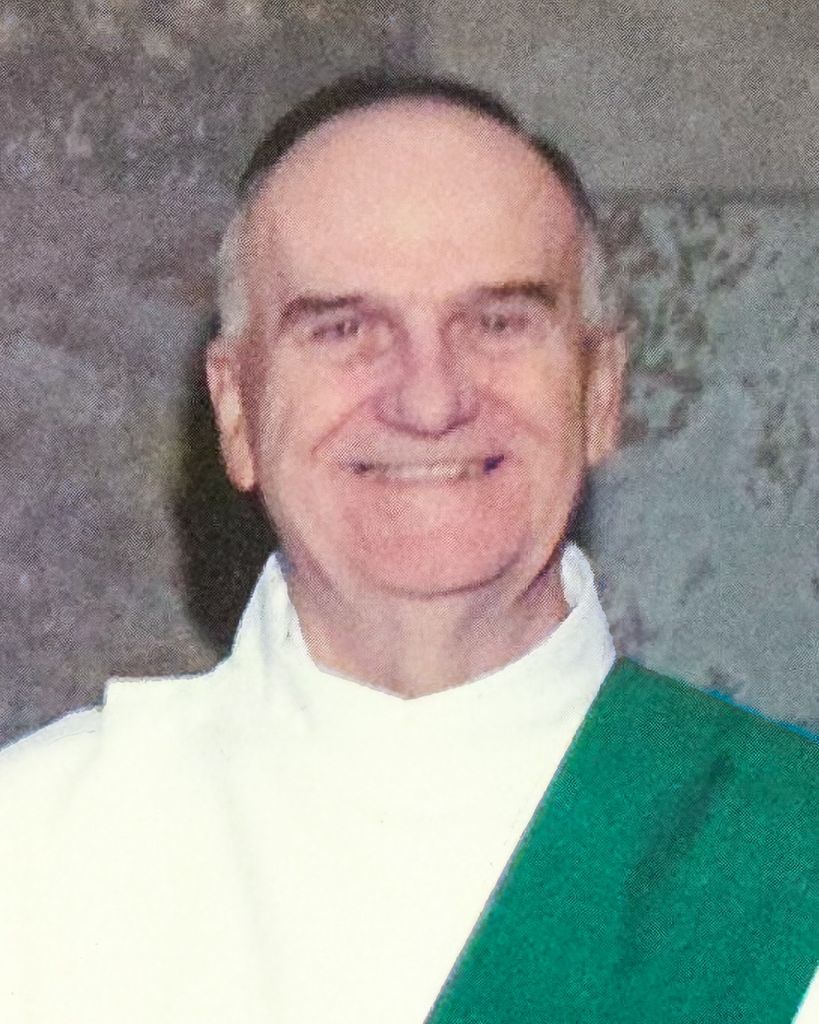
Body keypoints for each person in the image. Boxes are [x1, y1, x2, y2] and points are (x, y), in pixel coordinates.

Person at [0, 72, 816, 1023]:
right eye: (344, 328)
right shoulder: (35, 855)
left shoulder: (783, 851)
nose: (430, 400)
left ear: (599, 391)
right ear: (235, 411)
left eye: (498, 322)